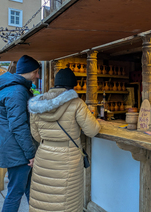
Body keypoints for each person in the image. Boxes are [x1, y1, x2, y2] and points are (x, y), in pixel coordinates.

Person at [28, 68, 100, 212]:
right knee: (66, 201)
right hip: (68, 157)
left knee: (43, 197)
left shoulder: (37, 104)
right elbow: (92, 130)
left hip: (44, 154)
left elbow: (35, 135)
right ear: (72, 86)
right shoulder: (77, 103)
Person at [0, 55, 40, 212]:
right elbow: (19, 126)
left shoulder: (11, 88)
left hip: (13, 150)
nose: (38, 76)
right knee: (15, 194)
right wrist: (30, 154)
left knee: (28, 191)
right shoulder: (17, 91)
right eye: (36, 72)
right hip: (18, 153)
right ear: (29, 72)